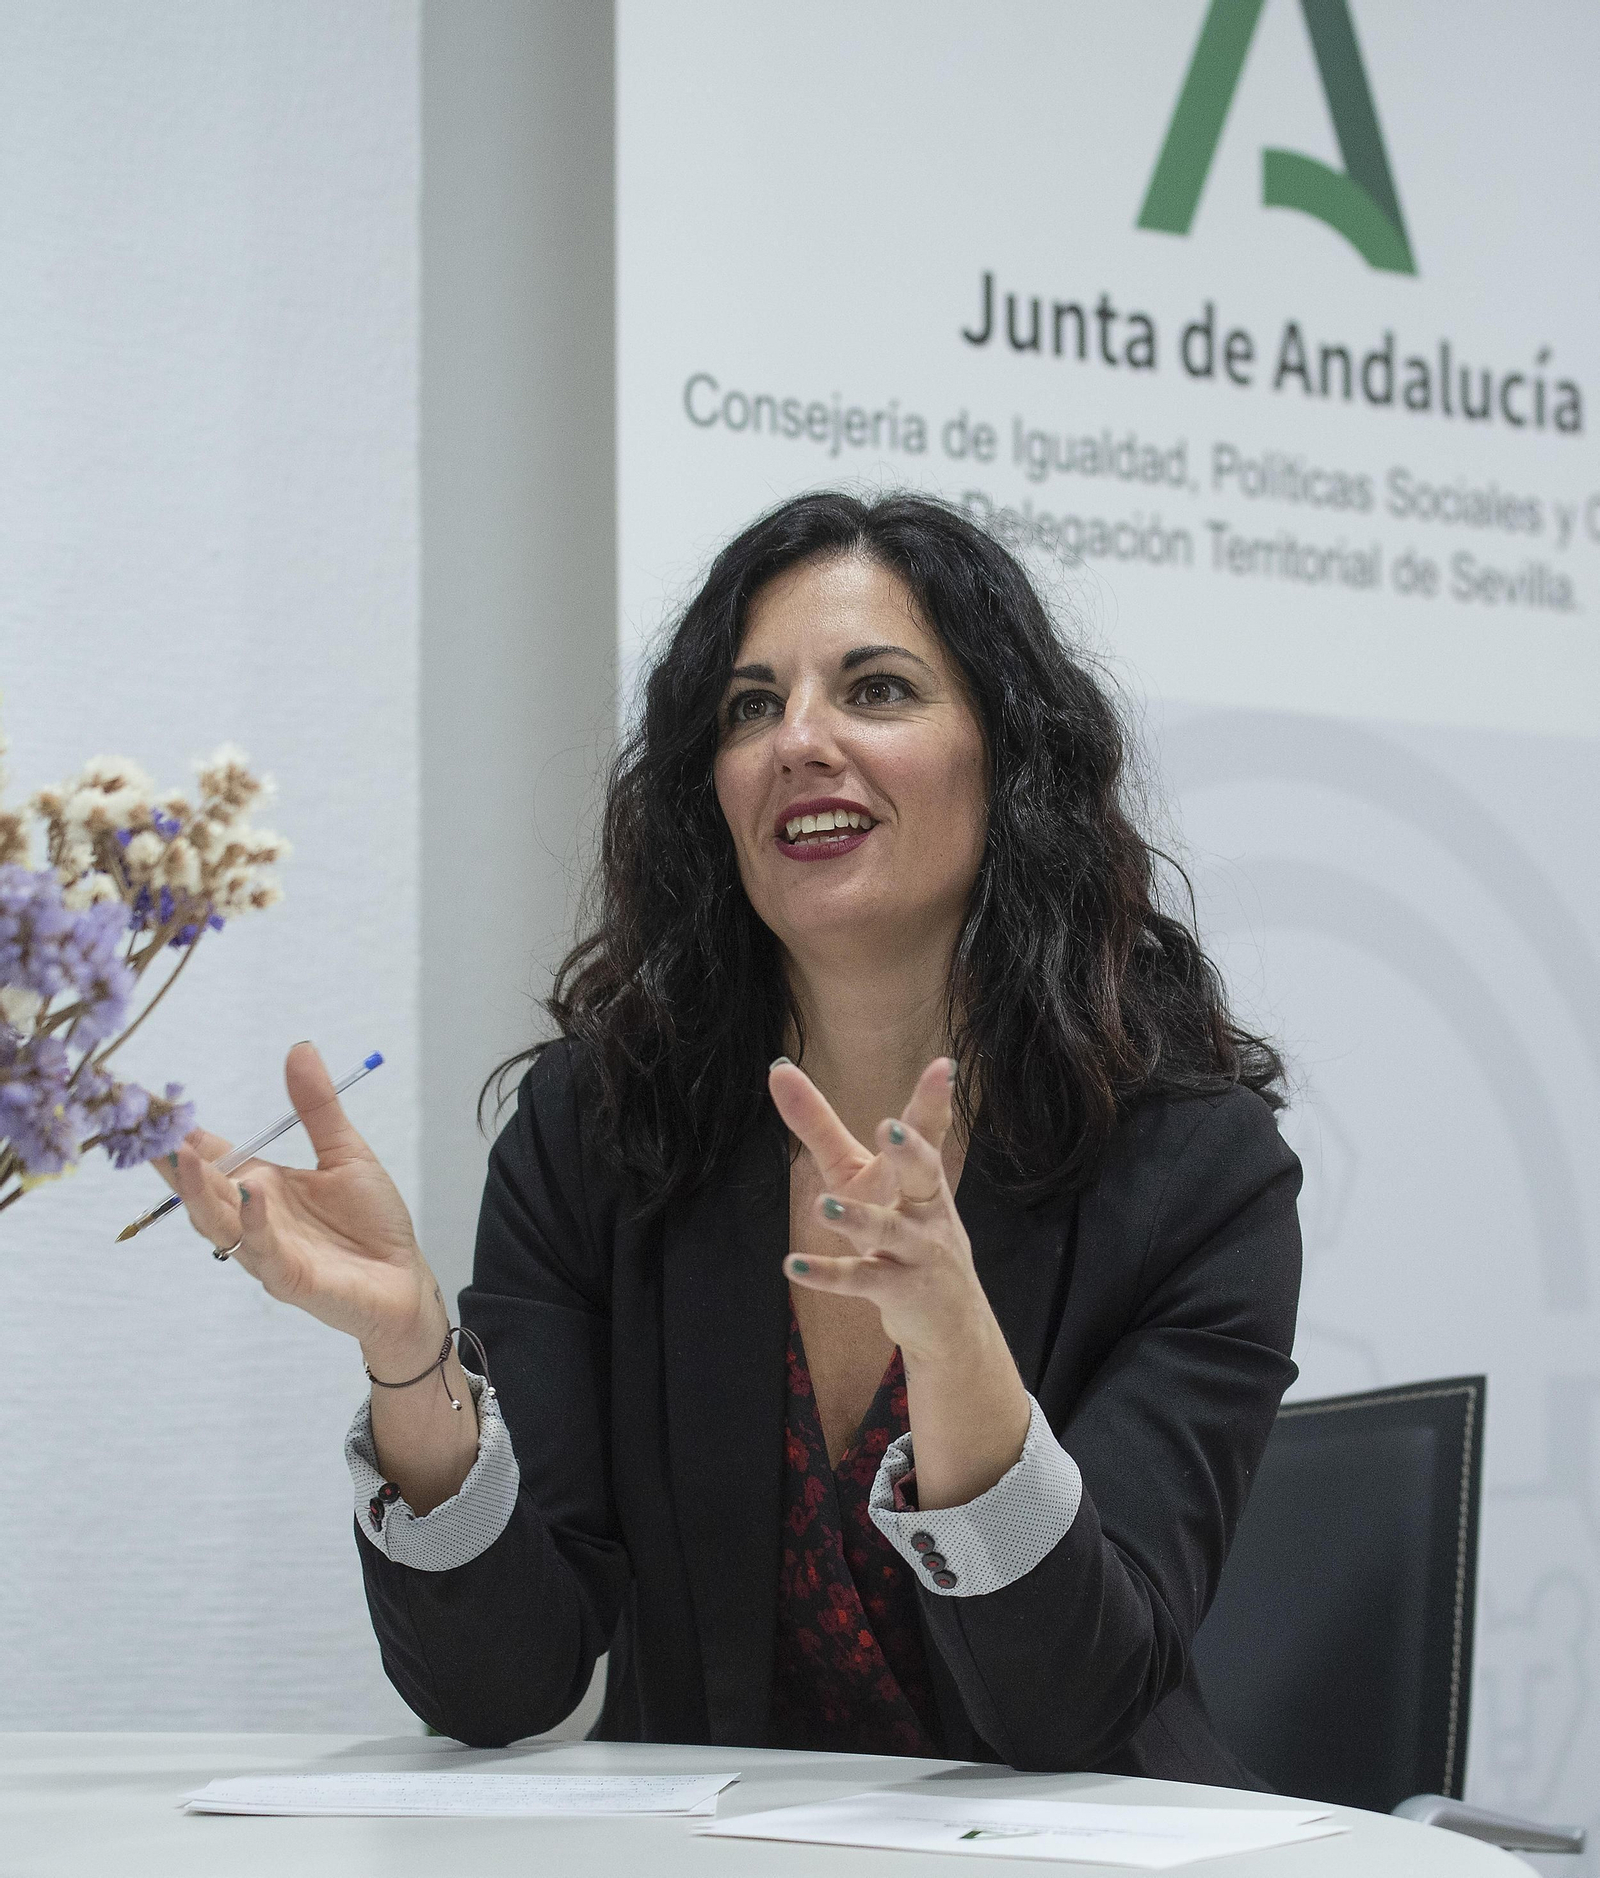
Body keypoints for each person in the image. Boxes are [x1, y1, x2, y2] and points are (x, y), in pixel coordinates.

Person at [163, 491, 1301, 1780]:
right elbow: (498, 1687)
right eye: (751, 707)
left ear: (1008, 758)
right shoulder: (599, 1128)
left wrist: (956, 1346)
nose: (798, 741)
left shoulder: (1196, 1170)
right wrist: (412, 1361)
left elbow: (1068, 1708)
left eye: (875, 690)